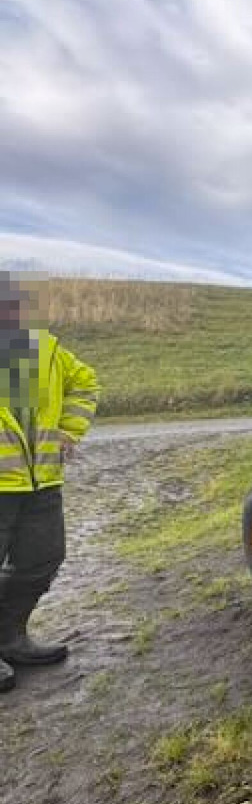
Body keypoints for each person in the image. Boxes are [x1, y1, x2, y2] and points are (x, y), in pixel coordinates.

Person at [0, 276, 100, 691]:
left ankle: (10, 636)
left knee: (43, 558)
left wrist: (69, 432)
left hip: (41, 480)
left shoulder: (43, 349)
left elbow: (85, 383)